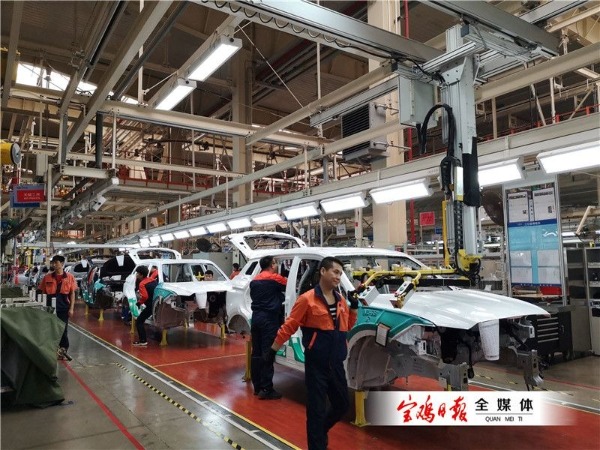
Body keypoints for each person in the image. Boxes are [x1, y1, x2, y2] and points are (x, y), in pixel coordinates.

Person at [266, 257, 358, 449]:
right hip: (317, 365)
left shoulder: (341, 300)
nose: (338, 277)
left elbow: (348, 326)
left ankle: (320, 431)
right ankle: (317, 444)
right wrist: (273, 349)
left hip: (336, 364)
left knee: (342, 405)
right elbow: (290, 325)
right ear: (323, 271)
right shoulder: (307, 299)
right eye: (335, 272)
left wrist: (354, 308)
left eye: (340, 274)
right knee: (316, 410)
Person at [250, 255, 287, 400]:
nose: (276, 266)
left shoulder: (254, 280)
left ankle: (257, 387)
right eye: (275, 263)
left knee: (256, 353)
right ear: (272, 265)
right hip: (269, 320)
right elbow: (290, 285)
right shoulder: (275, 278)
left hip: (256, 318)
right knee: (267, 352)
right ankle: (266, 389)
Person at [40, 255, 78, 360]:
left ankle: (63, 349)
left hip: (63, 307)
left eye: (56, 263)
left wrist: (71, 308)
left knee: (63, 329)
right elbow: (43, 293)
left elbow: (72, 294)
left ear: (62, 263)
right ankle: (51, 349)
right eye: (53, 263)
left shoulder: (70, 277)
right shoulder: (47, 277)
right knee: (50, 328)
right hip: (49, 307)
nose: (54, 264)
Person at [133, 266, 158, 347]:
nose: (136, 275)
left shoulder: (142, 284)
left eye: (137, 273)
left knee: (139, 321)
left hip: (150, 306)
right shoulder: (152, 280)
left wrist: (139, 303)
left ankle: (143, 341)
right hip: (156, 304)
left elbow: (144, 296)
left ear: (141, 275)